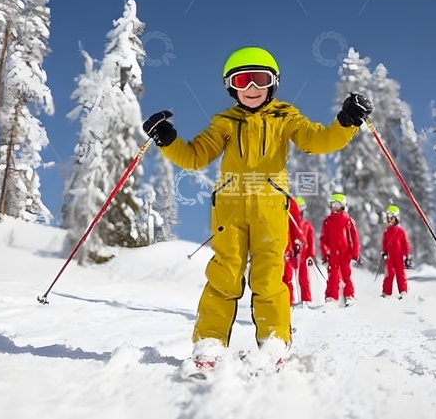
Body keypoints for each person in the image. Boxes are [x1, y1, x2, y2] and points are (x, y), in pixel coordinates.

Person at [142, 46, 373, 369]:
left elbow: (318, 140)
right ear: (231, 86)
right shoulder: (225, 122)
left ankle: (274, 340)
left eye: (259, 79)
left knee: (269, 277)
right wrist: (167, 139)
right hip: (230, 208)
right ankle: (209, 340)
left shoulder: (285, 117)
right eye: (242, 80)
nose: (251, 88)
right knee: (225, 274)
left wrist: (346, 122)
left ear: (273, 83)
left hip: (270, 209)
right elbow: (194, 157)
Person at [319, 193, 360, 306]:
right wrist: (325, 254)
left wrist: (355, 254)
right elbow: (323, 240)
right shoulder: (327, 221)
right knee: (333, 275)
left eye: (336, 204)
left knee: (346, 274)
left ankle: (349, 296)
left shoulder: (348, 220)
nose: (333, 207)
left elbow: (354, 238)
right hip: (332, 254)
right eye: (332, 204)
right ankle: (331, 297)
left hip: (345, 253)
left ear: (342, 205)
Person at [381, 205, 412, 299]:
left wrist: (406, 255)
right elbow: (384, 243)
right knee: (388, 274)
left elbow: (405, 244)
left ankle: (403, 292)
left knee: (400, 274)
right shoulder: (386, 232)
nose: (390, 220)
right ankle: (386, 293)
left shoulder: (400, 231)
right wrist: (384, 252)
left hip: (399, 256)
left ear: (397, 218)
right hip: (390, 257)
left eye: (392, 218)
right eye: (388, 218)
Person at [292, 197, 316, 306]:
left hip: (304, 256)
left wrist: (311, 255)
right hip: (292, 255)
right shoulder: (290, 224)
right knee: (289, 277)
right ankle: (290, 300)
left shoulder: (307, 225)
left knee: (304, 278)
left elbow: (311, 241)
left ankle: (305, 299)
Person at [283, 197, 304, 305]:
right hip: (266, 243)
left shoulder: (288, 200)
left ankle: (288, 301)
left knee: (286, 274)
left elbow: (295, 223)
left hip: (284, 244)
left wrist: (297, 241)